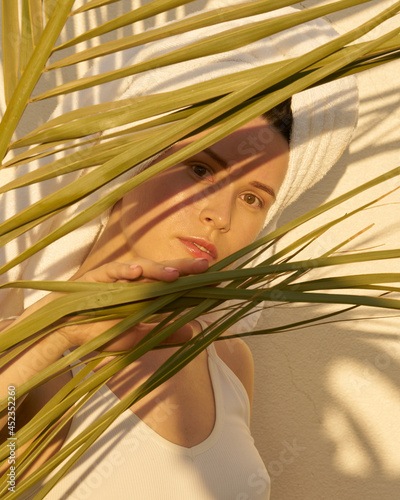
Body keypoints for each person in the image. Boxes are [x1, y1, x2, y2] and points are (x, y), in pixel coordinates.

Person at [0, 4, 358, 499]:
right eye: (200, 169)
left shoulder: (229, 363)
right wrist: (59, 332)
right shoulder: (26, 341)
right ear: (134, 160)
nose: (221, 215)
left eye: (253, 198)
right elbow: (12, 475)